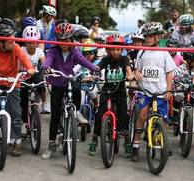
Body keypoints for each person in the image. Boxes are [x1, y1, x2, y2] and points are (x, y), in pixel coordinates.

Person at [41, 22, 98, 159]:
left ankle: (77, 112)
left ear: (71, 39)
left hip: (70, 81)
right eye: (61, 40)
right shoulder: (53, 50)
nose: (64, 43)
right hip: (57, 83)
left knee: (77, 87)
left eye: (67, 39)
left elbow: (83, 61)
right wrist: (45, 67)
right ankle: (51, 144)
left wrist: (94, 69)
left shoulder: (75, 50)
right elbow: (48, 60)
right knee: (55, 114)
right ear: (57, 40)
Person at [0, 20, 35, 156]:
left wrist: (30, 68)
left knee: (16, 111)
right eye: (10, 41)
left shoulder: (16, 48)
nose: (13, 43)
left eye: (13, 40)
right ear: (1, 43)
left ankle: (17, 141)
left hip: (13, 82)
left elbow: (25, 60)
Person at [132, 22, 176, 162]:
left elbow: (169, 73)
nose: (147, 39)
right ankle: (136, 145)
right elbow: (137, 69)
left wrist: (169, 89)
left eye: (150, 36)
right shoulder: (142, 52)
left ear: (158, 37)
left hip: (161, 92)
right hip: (145, 91)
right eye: (146, 36)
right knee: (142, 115)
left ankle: (162, 141)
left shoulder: (164, 53)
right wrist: (137, 73)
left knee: (162, 120)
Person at [88, 34, 134, 157]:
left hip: (120, 92)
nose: (115, 52)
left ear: (122, 50)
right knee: (99, 115)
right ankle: (95, 139)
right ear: (108, 49)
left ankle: (127, 141)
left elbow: (129, 70)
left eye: (118, 49)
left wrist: (130, 76)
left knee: (124, 114)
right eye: (112, 49)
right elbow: (98, 68)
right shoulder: (106, 59)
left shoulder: (125, 59)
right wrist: (93, 75)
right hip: (107, 91)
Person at [20, 26, 50, 120]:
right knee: (23, 100)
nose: (31, 45)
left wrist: (46, 69)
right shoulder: (22, 50)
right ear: (26, 42)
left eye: (33, 43)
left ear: (37, 42)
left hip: (35, 75)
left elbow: (44, 63)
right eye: (29, 43)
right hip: (23, 76)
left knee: (41, 83)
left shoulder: (39, 51)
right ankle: (25, 121)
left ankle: (44, 103)